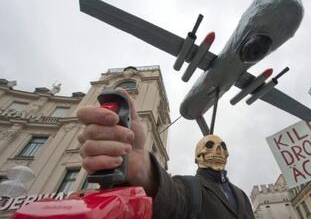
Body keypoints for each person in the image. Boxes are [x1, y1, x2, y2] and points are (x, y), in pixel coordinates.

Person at [77, 89, 254, 219]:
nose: (218, 151)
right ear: (197, 156)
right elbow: (172, 200)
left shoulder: (242, 196)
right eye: (210, 146)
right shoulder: (189, 187)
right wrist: (143, 169)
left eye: (222, 147)